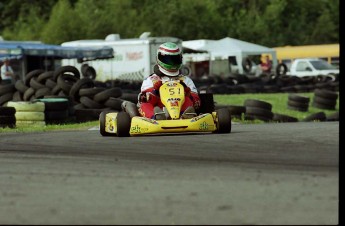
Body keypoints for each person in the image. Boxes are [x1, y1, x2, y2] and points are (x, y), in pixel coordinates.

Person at [137, 42, 200, 120]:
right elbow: (145, 100)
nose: (172, 63)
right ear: (159, 58)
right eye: (168, 60)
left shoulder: (186, 80)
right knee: (145, 105)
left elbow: (197, 103)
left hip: (180, 110)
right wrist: (155, 91)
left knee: (187, 100)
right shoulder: (150, 80)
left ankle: (186, 116)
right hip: (159, 109)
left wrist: (188, 94)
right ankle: (156, 117)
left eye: (175, 59)